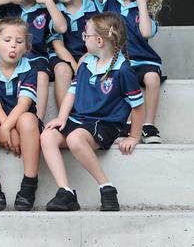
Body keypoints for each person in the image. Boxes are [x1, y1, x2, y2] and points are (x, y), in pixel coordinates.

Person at [41, 12, 145, 211]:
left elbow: (138, 106)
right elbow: (72, 91)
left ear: (98, 40)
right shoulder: (86, 63)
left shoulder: (123, 70)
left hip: (105, 123)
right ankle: (66, 192)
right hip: (80, 119)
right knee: (47, 137)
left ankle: (107, 188)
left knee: (74, 139)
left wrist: (134, 136)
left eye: (85, 35)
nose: (83, 38)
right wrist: (62, 117)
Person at [91, 0, 165, 144]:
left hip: (143, 60)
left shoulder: (143, 11)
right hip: (118, 61)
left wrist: (141, 3)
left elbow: (146, 32)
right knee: (119, 80)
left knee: (151, 78)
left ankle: (148, 125)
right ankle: (125, 123)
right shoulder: (108, 1)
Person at [0, 18, 41, 211]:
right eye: (7, 40)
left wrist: (8, 128)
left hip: (22, 124)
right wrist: (5, 128)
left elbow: (24, 104)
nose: (13, 45)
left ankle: (29, 183)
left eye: (19, 41)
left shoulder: (29, 69)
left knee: (28, 119)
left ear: (26, 47)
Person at [45, 0, 99, 109]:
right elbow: (58, 46)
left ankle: (94, 114)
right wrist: (76, 67)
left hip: (89, 53)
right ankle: (65, 118)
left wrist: (85, 58)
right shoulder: (54, 12)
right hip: (63, 56)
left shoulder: (94, 8)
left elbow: (99, 41)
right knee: (62, 70)